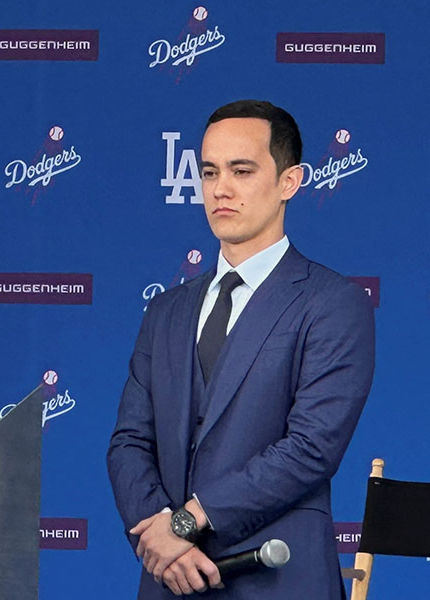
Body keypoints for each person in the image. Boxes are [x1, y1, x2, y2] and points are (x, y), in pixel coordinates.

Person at [107, 100, 374, 598]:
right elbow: (129, 443)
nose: (220, 188)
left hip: (280, 578)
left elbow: (311, 448)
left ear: (290, 182)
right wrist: (160, 532)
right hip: (172, 583)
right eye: (209, 172)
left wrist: (185, 524)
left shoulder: (334, 303)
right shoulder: (166, 311)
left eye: (242, 170)